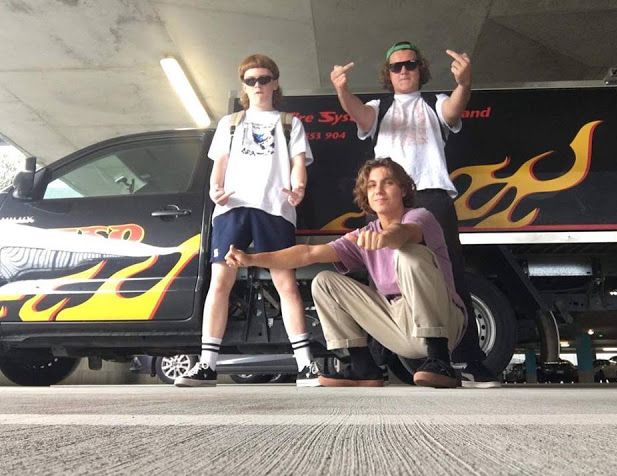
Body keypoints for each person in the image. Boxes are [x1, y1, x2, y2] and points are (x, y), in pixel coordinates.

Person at [329, 41, 499, 388]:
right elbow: (357, 113)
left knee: (449, 274)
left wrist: (465, 83)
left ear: (420, 69)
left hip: (430, 196)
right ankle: (375, 362)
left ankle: (467, 360)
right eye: (396, 67)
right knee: (380, 276)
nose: (403, 70)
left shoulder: (434, 105)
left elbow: (454, 109)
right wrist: (341, 90)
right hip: (387, 199)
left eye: (410, 64)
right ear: (388, 74)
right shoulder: (379, 109)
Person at [226, 158, 465, 388]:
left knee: (410, 254)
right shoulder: (364, 234)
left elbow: (405, 233)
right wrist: (252, 259)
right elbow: (308, 253)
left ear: (403, 189)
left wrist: (385, 238)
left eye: (388, 182)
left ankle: (440, 360)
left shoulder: (420, 216)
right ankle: (362, 367)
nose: (379, 190)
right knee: (324, 282)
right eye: (371, 185)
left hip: (445, 323)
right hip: (398, 325)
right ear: (366, 195)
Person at [175, 54, 319, 387]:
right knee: (220, 283)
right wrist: (215, 190)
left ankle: (306, 364)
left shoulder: (289, 123)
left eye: (264, 79)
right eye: (252, 80)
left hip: (275, 208)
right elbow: (219, 165)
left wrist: (299, 188)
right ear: (244, 85)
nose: (258, 85)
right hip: (232, 208)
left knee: (285, 284)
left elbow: (299, 162)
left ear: (275, 82)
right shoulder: (230, 123)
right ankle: (207, 365)